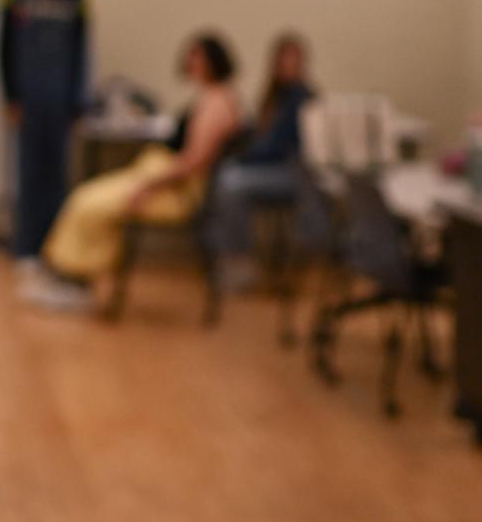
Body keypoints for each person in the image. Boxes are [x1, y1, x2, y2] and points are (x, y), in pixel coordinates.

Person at [24, 32, 243, 312]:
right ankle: (66, 274)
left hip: (174, 189)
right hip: (161, 177)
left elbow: (194, 161)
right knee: (85, 195)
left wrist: (147, 187)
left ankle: (76, 279)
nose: (191, 62)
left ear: (213, 60)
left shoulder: (217, 103)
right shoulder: (212, 97)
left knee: (91, 204)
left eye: (197, 56)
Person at [0, 0, 88, 287]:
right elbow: (3, 46)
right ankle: (26, 250)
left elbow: (83, 51)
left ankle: (56, 249)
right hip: (28, 100)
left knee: (57, 178)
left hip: (60, 102)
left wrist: (77, 104)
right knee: (28, 176)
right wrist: (10, 96)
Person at [202, 33, 315, 290]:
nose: (289, 65)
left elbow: (275, 146)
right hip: (273, 167)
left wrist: (243, 158)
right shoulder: (277, 96)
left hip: (292, 174)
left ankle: (238, 262)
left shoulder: (300, 97)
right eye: (285, 59)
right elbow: (264, 136)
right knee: (224, 175)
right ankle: (222, 253)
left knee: (231, 181)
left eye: (294, 60)